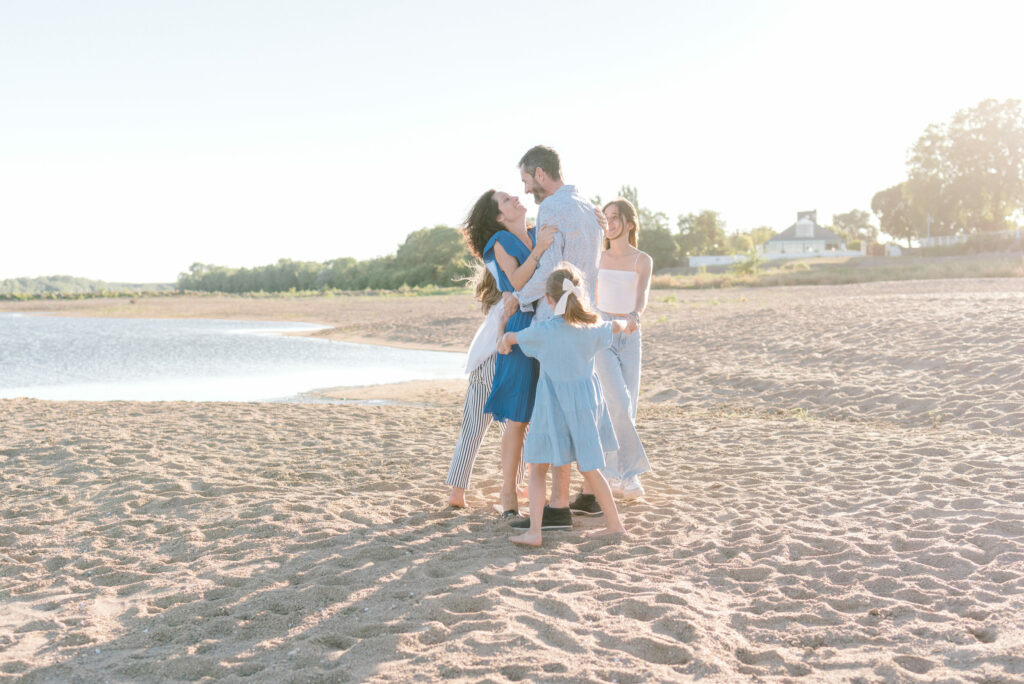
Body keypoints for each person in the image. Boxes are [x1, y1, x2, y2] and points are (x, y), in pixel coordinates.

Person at [511, 145, 605, 530]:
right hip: (583, 317)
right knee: (571, 411)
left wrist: (516, 296)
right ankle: (565, 503)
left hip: (555, 319)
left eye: (526, 181)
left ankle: (558, 507)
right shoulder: (586, 206)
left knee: (551, 414)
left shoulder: (550, 208)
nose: (527, 189)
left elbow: (550, 271)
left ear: (539, 173)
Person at [503, 264, 629, 547]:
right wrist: (628, 323)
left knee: (538, 469)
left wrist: (503, 340)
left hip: (552, 407)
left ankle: (535, 532)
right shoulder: (590, 328)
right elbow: (615, 326)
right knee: (591, 468)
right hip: (585, 407)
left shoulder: (544, 331)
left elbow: (515, 338)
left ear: (548, 300)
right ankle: (614, 525)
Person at [463, 189, 557, 517]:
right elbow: (516, 280)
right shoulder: (501, 240)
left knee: (542, 414)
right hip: (518, 324)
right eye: (506, 200)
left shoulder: (537, 231)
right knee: (517, 418)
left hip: (547, 322)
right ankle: (508, 495)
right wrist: (541, 248)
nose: (516, 197)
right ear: (500, 216)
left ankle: (538, 490)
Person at [576, 198, 652, 510]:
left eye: (616, 217)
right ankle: (630, 474)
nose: (611, 222)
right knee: (615, 402)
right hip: (603, 331)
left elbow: (642, 295)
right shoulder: (597, 258)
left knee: (626, 406)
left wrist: (635, 315)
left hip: (631, 333)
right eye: (606, 218)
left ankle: (616, 474)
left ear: (630, 223)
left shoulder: (642, 259)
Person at [444, 265, 508, 508]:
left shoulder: (493, 301)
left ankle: (457, 492)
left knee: (471, 431)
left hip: (480, 366)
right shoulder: (514, 298)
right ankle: (515, 486)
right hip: (502, 364)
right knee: (514, 432)